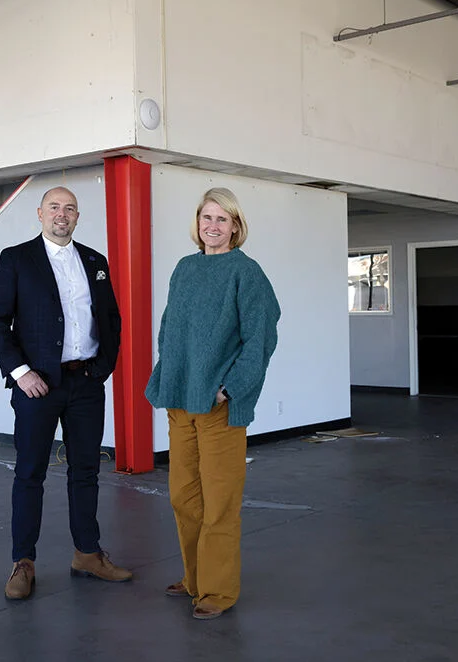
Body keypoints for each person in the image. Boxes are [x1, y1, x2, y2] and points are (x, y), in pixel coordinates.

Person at [0, 186, 132, 601]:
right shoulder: (16, 259)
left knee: (85, 472)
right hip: (38, 388)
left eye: (69, 209)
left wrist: (102, 369)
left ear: (78, 216)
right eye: (54, 207)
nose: (61, 214)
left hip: (85, 383)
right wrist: (21, 373)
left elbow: (111, 321)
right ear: (40, 214)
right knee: (30, 474)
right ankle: (23, 563)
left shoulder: (94, 261)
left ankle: (87, 553)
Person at [144, 187, 280, 620]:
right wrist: (168, 374)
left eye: (223, 219)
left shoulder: (247, 273)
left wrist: (230, 388)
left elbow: (261, 339)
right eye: (207, 217)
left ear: (235, 226)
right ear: (197, 222)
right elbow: (170, 329)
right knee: (184, 497)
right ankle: (194, 579)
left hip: (219, 407)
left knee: (220, 503)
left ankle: (218, 592)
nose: (213, 226)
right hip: (180, 402)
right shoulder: (185, 269)